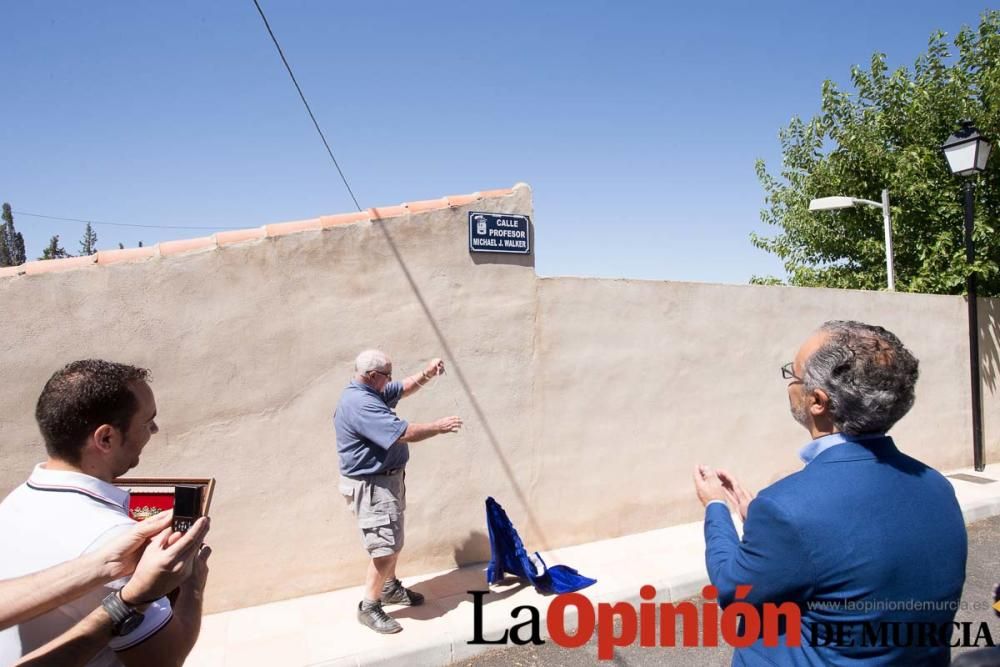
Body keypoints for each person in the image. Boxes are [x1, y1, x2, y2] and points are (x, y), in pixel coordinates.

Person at [693, 321, 967, 666]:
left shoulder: (788, 507)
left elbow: (734, 591)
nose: (790, 385)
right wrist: (762, 525)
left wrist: (716, 506)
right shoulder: (936, 484)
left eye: (792, 375)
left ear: (817, 401)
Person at [0, 360, 212, 666]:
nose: (154, 429)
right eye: (148, 420)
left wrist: (108, 564)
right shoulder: (109, 534)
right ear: (106, 438)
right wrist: (193, 580)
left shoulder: (14, 502)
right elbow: (164, 659)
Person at [334, 349, 462, 634]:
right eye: (386, 375)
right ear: (371, 375)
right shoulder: (360, 404)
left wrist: (427, 373)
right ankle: (369, 606)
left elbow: (401, 388)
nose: (390, 380)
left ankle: (389, 588)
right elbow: (401, 433)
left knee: (391, 537)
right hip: (372, 486)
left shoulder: (371, 390)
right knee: (385, 546)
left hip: (386, 482)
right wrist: (438, 427)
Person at [3, 510, 210, 666]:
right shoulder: (108, 528)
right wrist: (131, 600)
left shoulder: (11, 506)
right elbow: (164, 660)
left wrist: (105, 564)